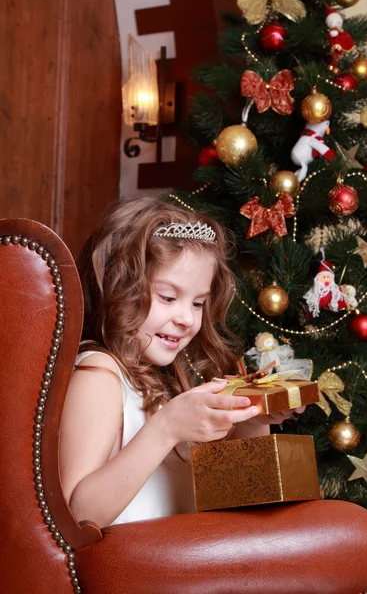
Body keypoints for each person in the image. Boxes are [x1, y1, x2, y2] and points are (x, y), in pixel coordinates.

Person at [59, 196, 305, 529]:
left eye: (199, 303)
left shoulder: (171, 376)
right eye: (168, 297)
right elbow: (75, 515)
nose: (187, 319)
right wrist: (165, 429)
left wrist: (252, 419)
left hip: (185, 564)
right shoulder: (98, 375)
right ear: (120, 287)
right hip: (139, 571)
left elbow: (236, 493)